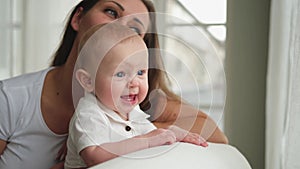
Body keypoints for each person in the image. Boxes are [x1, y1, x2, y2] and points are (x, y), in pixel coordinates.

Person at [0, 0, 227, 168]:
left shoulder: (134, 102)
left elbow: (216, 136)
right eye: (111, 12)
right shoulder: (11, 98)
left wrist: (119, 135)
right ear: (78, 18)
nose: (119, 27)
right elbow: (93, 155)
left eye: (135, 28)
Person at [65, 23, 208, 169]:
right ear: (88, 81)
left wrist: (170, 132)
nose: (134, 83)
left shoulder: (132, 112)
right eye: (120, 74)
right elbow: (94, 156)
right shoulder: (89, 114)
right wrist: (146, 140)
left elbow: (154, 137)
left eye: (140, 72)